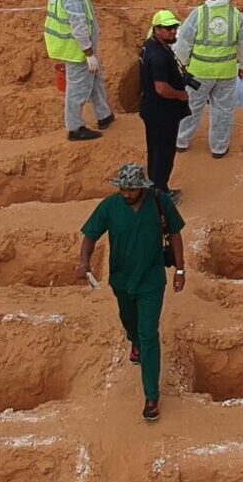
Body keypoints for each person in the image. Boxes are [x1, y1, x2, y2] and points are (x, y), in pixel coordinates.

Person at [75, 163, 185, 421]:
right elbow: (90, 235)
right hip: (122, 279)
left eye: (132, 189)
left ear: (141, 187)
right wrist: (84, 261)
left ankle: (151, 396)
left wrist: (180, 270)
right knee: (129, 321)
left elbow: (175, 234)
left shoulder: (160, 202)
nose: (126, 194)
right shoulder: (110, 206)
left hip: (151, 281)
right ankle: (133, 339)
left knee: (149, 334)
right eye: (123, 188)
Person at [173, 0, 243, 159]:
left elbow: (184, 40)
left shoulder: (198, 14)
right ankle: (218, 148)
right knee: (223, 110)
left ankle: (181, 141)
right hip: (225, 73)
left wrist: (180, 64)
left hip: (199, 73)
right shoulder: (236, 16)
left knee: (191, 107)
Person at [44, 0, 114, 142]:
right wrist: (88, 53)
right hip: (77, 50)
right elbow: (78, 26)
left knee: (94, 79)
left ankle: (104, 115)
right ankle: (75, 128)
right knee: (77, 89)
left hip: (78, 48)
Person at [136, 10, 192, 198]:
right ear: (156, 29)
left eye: (175, 27)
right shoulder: (158, 56)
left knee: (156, 149)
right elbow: (161, 88)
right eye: (168, 28)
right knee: (164, 152)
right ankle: (160, 192)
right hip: (162, 112)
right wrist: (180, 95)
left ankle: (155, 186)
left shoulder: (150, 46)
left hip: (153, 109)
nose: (173, 31)